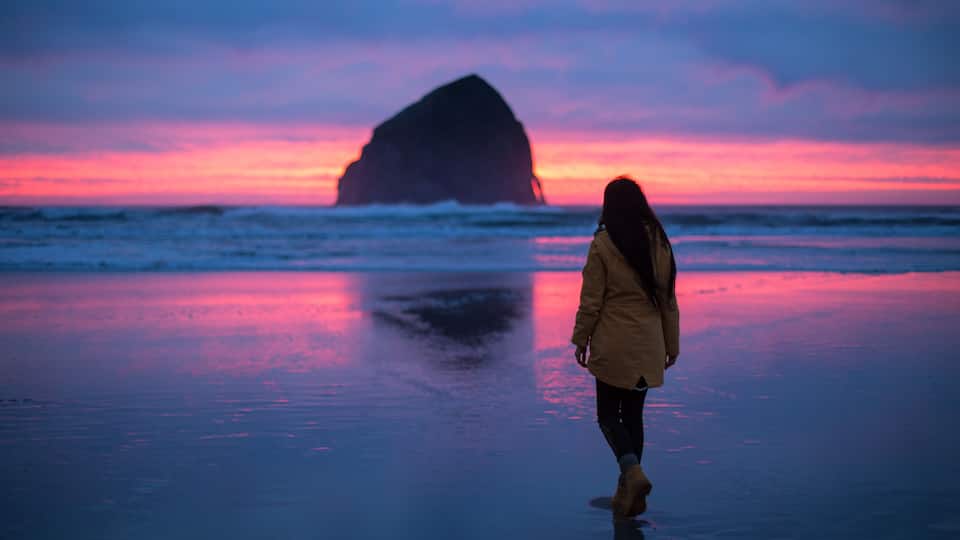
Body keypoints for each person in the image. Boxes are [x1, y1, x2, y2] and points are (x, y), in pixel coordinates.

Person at [571, 176, 680, 519]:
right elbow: (668, 300)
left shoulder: (602, 243)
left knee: (607, 416)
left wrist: (580, 339)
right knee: (633, 416)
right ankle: (631, 493)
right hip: (648, 344)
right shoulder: (659, 242)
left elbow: (591, 302)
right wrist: (671, 343)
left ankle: (632, 475)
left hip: (613, 345)